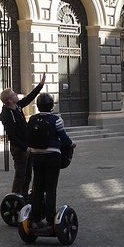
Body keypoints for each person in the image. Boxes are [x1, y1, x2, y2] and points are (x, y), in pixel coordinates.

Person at [28, 93, 75, 231]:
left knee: (37, 188)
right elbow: (64, 137)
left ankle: (35, 219)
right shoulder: (56, 120)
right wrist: (72, 144)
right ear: (51, 106)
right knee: (50, 189)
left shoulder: (32, 119)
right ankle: (50, 220)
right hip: (52, 157)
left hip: (36, 156)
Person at [0, 72, 46, 196]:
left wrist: (40, 86)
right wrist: (25, 148)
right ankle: (15, 197)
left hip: (26, 145)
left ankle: (23, 196)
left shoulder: (17, 107)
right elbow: (12, 137)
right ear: (9, 100)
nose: (16, 95)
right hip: (20, 148)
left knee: (28, 174)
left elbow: (28, 98)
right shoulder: (7, 115)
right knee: (20, 175)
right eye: (14, 94)